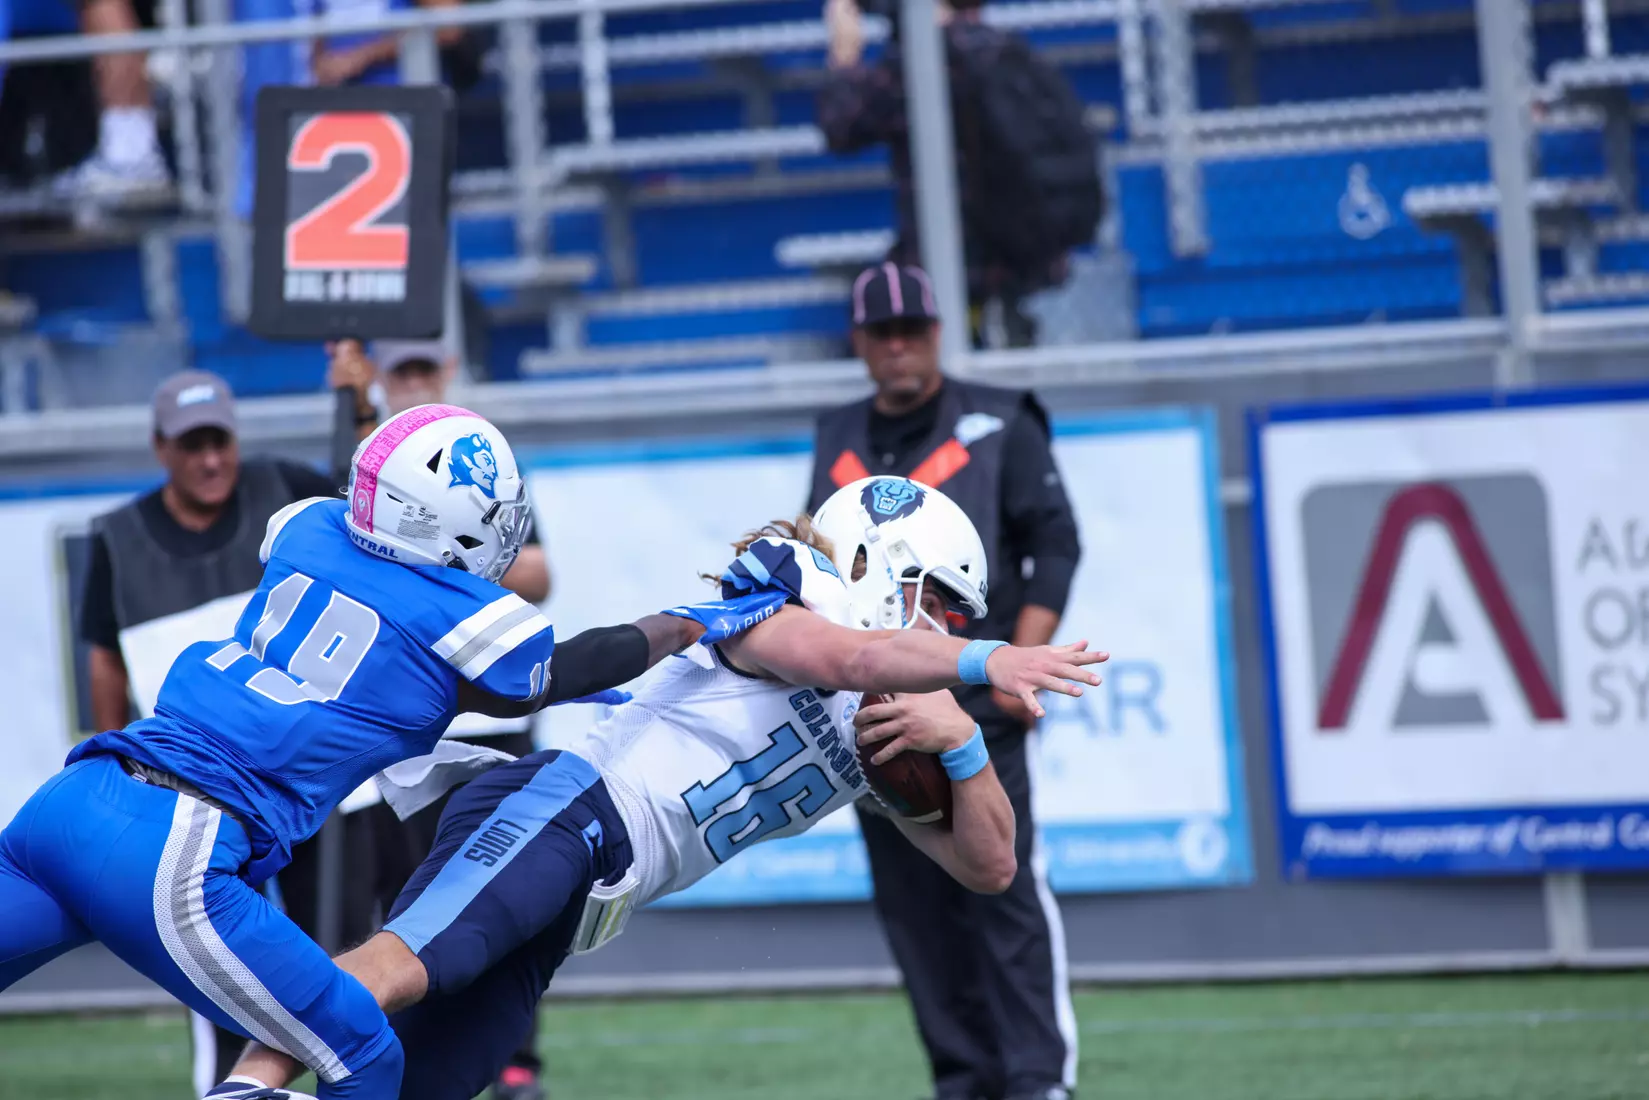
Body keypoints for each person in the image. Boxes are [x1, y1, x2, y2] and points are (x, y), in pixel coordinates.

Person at [218, 475, 1108, 1100]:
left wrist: (964, 749)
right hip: (564, 812)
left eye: (956, 624)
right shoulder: (785, 598)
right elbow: (859, 653)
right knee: (405, 962)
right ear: (879, 568)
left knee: (428, 1078)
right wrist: (992, 661)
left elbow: (989, 867)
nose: (944, 632)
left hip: (585, 896)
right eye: (936, 605)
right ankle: (246, 1085)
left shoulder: (890, 727)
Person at [0, 403, 717, 1099]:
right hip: (173, 842)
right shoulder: (460, 612)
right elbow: (562, 667)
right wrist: (683, 624)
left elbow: (423, 669)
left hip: (71, 801)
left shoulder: (306, 527)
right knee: (365, 1054)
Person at [807, 264, 1083, 1100]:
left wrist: (1015, 670)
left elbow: (1054, 548)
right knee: (914, 911)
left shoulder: (1002, 420)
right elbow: (822, 566)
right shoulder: (837, 433)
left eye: (913, 330)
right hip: (880, 713)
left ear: (937, 331)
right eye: (880, 334)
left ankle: (1037, 1081)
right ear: (858, 344)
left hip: (974, 704)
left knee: (1003, 895)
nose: (898, 347)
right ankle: (962, 1081)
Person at [79, 365, 394, 1094]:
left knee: (339, 958)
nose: (211, 458)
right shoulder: (116, 540)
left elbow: (372, 510)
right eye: (192, 445)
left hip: (318, 785)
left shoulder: (286, 490)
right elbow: (103, 664)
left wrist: (360, 406)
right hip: (198, 792)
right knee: (220, 981)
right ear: (161, 448)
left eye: (219, 439)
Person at [332, 338, 555, 1100]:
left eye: (427, 369)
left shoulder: (484, 466)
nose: (417, 381)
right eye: (403, 372)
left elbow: (537, 571)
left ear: (449, 371)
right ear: (384, 382)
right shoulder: (375, 483)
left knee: (507, 896)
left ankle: (517, 1060)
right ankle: (404, 1055)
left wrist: (438, 553)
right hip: (408, 734)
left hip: (491, 722)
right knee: (407, 905)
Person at [816, 0, 1100, 348]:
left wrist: (844, 55)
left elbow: (841, 124)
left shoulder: (920, 60)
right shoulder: (1006, 49)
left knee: (883, 330)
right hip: (1021, 257)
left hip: (953, 261)